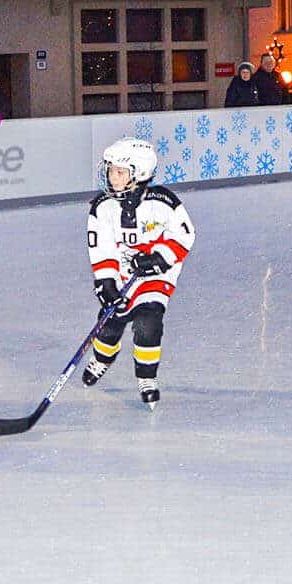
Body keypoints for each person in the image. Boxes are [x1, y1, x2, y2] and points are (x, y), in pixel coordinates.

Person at [82, 138, 196, 409]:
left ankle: (147, 378)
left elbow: (185, 234)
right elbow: (103, 250)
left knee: (148, 323)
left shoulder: (163, 201)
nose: (113, 177)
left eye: (120, 172)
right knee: (109, 323)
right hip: (122, 273)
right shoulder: (102, 207)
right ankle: (101, 359)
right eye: (111, 170)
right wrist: (107, 283)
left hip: (156, 275)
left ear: (139, 173)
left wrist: (159, 258)